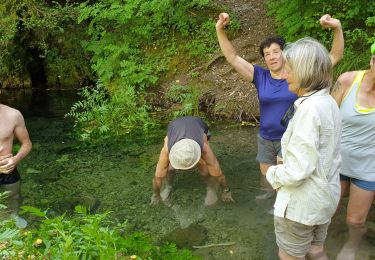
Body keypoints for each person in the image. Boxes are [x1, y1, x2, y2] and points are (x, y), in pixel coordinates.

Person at [215, 13, 344, 200]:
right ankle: (270, 203)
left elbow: (334, 56)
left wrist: (337, 28)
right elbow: (233, 57)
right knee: (267, 178)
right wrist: (220, 29)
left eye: (276, 52)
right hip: (266, 137)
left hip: (291, 139)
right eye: (267, 54)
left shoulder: (301, 74)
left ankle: (286, 205)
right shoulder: (260, 76)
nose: (271, 57)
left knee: (288, 181)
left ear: (285, 53)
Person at [265, 38, 342, 260]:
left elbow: (299, 170)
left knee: (289, 255)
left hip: (302, 205)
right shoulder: (329, 103)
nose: (285, 75)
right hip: (325, 198)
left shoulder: (308, 110)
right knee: (316, 250)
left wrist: (273, 173)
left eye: (289, 69)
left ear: (305, 72)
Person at [331, 42, 375, 260]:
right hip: (338, 161)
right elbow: (325, 118)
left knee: (355, 221)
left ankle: (352, 244)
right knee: (329, 210)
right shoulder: (348, 80)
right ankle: (321, 240)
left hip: (369, 166)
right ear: (372, 60)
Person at [150, 116, 234, 206]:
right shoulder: (167, 149)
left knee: (204, 169)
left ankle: (210, 189)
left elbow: (218, 174)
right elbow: (157, 178)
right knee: (170, 169)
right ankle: (168, 186)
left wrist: (226, 191)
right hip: (175, 126)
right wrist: (156, 195)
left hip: (198, 126)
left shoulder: (204, 147)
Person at [0, 103, 32, 228]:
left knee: (14, 199)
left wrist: (16, 159)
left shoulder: (13, 115)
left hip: (9, 170)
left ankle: (14, 223)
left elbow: (27, 143)